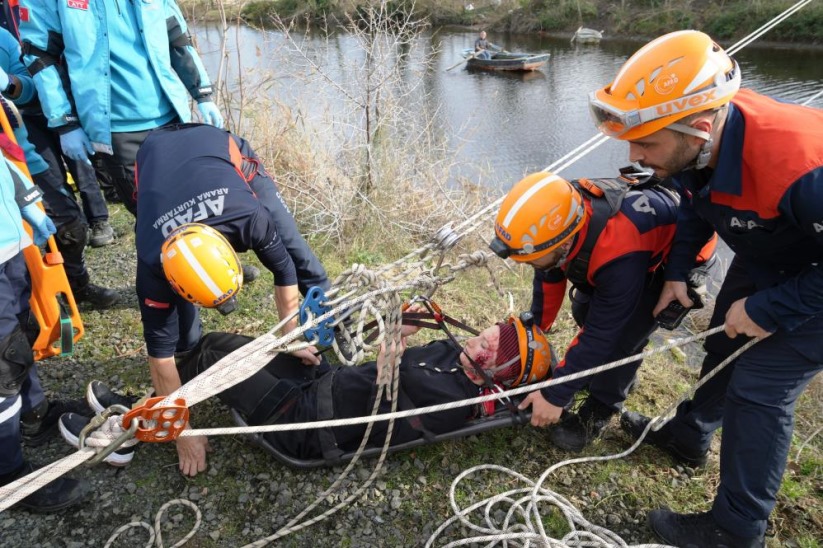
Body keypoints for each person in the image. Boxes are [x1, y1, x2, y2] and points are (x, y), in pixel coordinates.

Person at [588, 30, 823, 547]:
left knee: (760, 387)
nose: (635, 154)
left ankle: (736, 530)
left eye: (646, 143)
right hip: (776, 245)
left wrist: (771, 308)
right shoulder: (700, 146)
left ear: (698, 128)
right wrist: (678, 272)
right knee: (724, 341)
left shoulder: (802, 167)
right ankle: (688, 436)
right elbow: (698, 203)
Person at [110, 123, 330, 476]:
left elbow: (285, 272)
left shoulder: (252, 218)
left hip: (216, 148)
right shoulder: (152, 267)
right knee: (176, 343)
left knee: (295, 249)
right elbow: (160, 362)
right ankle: (192, 349)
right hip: (152, 157)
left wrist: (289, 337)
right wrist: (184, 433)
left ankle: (336, 317)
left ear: (232, 249)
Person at [61, 307, 555, 463]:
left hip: (303, 422)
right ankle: (150, 405)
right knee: (218, 342)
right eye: (493, 333)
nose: (485, 342)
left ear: (501, 373)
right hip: (322, 382)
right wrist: (401, 326)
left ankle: (127, 429)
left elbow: (383, 414)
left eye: (496, 350)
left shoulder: (452, 405)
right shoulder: (458, 351)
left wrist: (389, 350)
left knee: (214, 356)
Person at [490, 169, 715, 452]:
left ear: (563, 243)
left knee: (623, 340)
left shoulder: (618, 252)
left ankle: (601, 406)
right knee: (584, 308)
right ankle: (600, 375)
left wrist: (556, 394)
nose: (526, 264)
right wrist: (533, 331)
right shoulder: (558, 216)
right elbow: (548, 273)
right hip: (629, 253)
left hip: (672, 261)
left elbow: (601, 334)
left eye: (531, 259)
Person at [18, 0, 223, 216]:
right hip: (117, 132)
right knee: (154, 218)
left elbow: (176, 35)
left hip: (173, 118)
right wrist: (65, 123)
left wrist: (202, 93)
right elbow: (40, 56)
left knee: (196, 207)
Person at [0, 137, 91, 512]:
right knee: (3, 362)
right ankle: (8, 475)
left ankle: (33, 415)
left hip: (8, 240)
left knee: (21, 335)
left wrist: (26, 202)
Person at [0, 26, 118, 308]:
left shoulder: (4, 40)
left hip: (20, 153)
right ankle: (25, 309)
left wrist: (9, 83)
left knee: (69, 224)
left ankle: (75, 286)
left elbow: (30, 88)